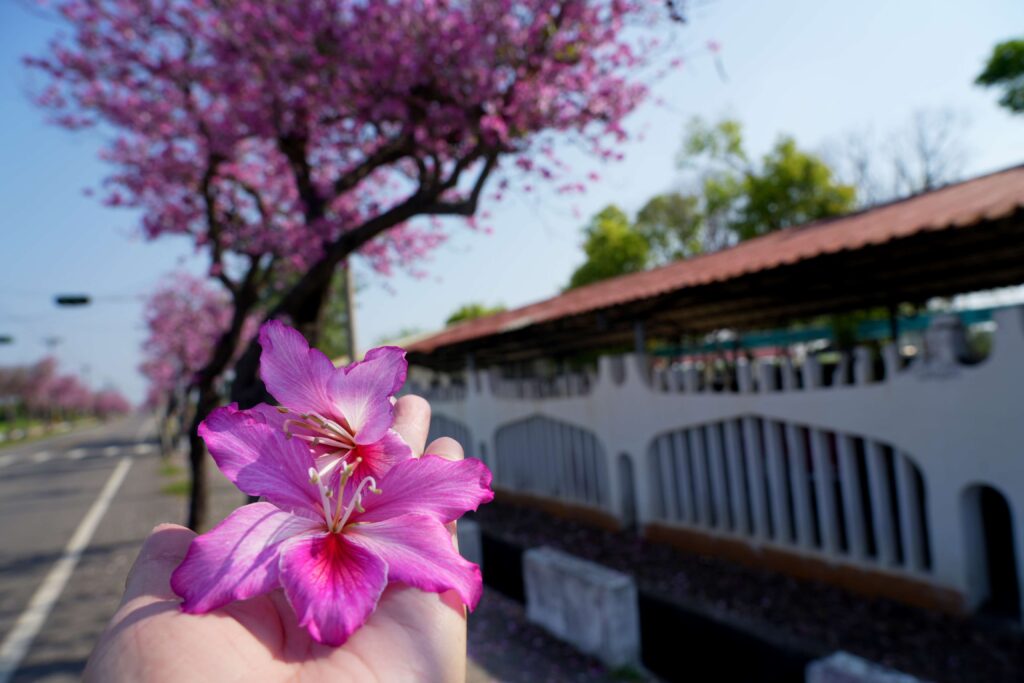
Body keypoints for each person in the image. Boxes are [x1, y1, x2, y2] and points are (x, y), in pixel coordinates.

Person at [84, 396, 471, 682]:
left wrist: (456, 575)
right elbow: (234, 439)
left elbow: (442, 552)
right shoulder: (315, 499)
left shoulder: (346, 489)